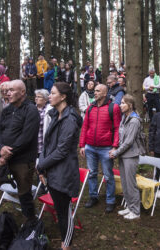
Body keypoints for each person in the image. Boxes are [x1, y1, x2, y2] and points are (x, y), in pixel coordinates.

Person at [0, 80, 40, 238]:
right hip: (2, 157)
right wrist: (0, 148)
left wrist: (8, 153)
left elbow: (26, 137)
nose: (7, 93)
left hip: (23, 160)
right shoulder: (7, 109)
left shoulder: (31, 111)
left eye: (11, 90)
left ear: (22, 92)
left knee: (24, 195)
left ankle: (29, 226)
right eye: (6, 90)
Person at [37, 82, 82, 250]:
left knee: (64, 211)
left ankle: (66, 244)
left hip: (64, 172)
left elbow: (62, 151)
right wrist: (42, 167)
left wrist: (42, 165)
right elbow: (47, 144)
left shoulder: (70, 119)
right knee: (58, 208)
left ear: (63, 97)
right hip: (52, 169)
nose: (49, 96)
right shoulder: (55, 115)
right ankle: (65, 240)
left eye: (53, 93)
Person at [79, 84, 121, 213]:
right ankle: (93, 197)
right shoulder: (90, 107)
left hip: (106, 148)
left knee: (108, 175)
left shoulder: (113, 108)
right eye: (95, 90)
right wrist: (82, 145)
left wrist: (115, 147)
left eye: (97, 91)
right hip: (90, 147)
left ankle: (110, 200)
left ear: (104, 93)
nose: (95, 93)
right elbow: (85, 126)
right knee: (92, 173)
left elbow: (117, 128)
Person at [109, 94, 145, 220]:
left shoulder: (134, 120)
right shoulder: (124, 117)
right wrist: (116, 149)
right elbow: (121, 137)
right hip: (123, 154)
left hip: (131, 155)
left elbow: (129, 141)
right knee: (125, 183)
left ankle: (135, 212)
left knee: (131, 184)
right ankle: (129, 207)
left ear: (130, 105)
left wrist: (116, 152)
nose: (120, 105)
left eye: (123, 103)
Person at [35, 89, 53, 157]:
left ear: (45, 99)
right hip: (34, 146)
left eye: (39, 97)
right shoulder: (32, 110)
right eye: (36, 96)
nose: (36, 98)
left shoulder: (50, 110)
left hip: (45, 145)